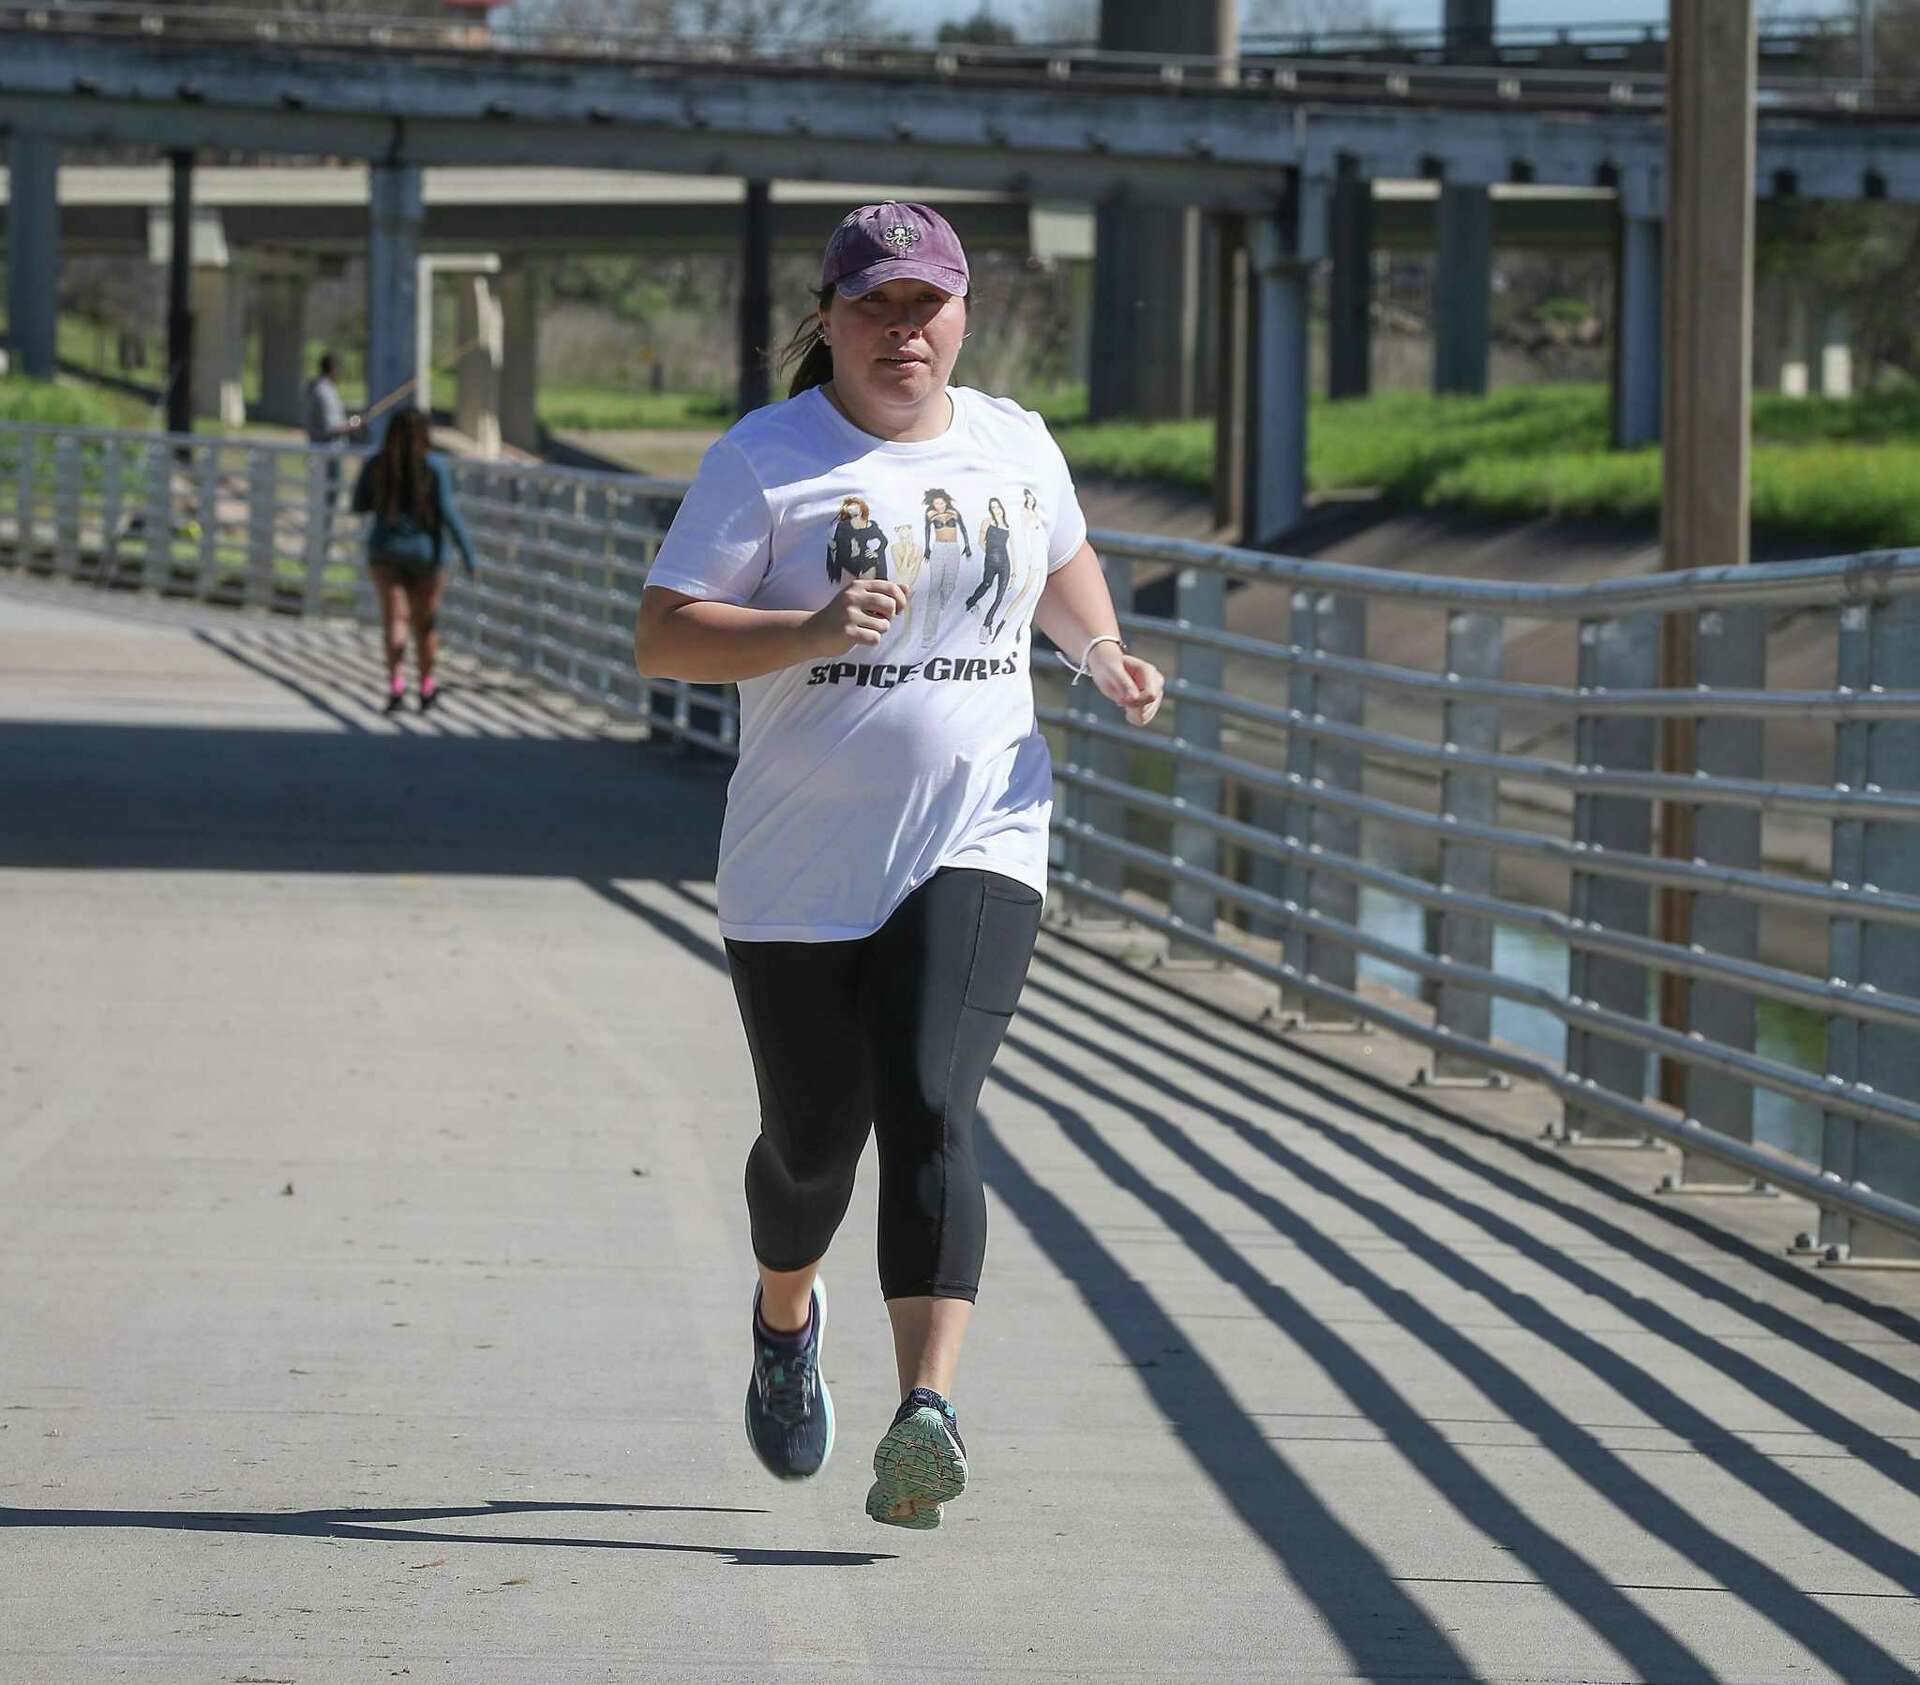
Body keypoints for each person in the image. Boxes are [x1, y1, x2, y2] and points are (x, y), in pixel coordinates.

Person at [631, 201, 1164, 1531]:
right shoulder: (768, 461)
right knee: (812, 1151)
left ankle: (926, 1410)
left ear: (963, 314)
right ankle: (784, 1316)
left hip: (978, 830)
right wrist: (807, 628)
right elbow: (664, 637)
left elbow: (1062, 556)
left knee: (931, 1092)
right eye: (872, 306)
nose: (901, 331)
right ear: (829, 319)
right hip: (799, 872)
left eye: (924, 305)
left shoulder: (1013, 444)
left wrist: (1096, 651)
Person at [351, 409, 478, 715]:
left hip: (385, 551)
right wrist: (468, 554)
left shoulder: (377, 464)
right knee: (426, 625)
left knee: (395, 620)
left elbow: (358, 505)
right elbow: (448, 514)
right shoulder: (434, 467)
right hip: (427, 554)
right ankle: (426, 686)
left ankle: (396, 685)